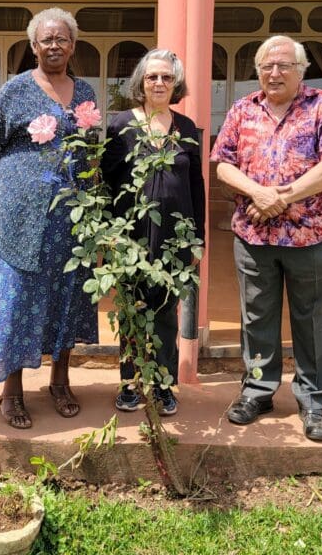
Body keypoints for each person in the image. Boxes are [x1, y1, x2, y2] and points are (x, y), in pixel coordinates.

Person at [211, 35, 322, 442]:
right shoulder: (242, 110)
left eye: (283, 66)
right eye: (266, 66)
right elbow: (222, 164)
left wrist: (281, 197)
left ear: (300, 70)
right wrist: (257, 194)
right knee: (256, 316)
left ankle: (312, 400)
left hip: (311, 236)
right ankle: (258, 390)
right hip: (254, 234)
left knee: (312, 319)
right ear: (257, 71)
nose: (274, 73)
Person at [0, 7, 99, 430]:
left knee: (67, 293)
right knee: (18, 298)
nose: (55, 46)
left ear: (73, 46)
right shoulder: (15, 89)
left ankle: (60, 383)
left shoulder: (85, 93)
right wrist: (12, 183)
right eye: (47, 39)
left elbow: (91, 147)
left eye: (62, 39)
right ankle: (12, 391)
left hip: (70, 214)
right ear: (33, 46)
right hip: (19, 215)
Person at [101, 49, 206, 417]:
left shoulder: (187, 128)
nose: (159, 83)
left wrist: (199, 238)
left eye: (166, 77)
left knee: (165, 313)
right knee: (131, 310)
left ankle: (162, 386)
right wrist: (106, 234)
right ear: (140, 84)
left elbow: (197, 186)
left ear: (175, 84)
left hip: (175, 239)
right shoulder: (121, 125)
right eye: (152, 77)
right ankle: (129, 382)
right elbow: (104, 181)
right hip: (129, 239)